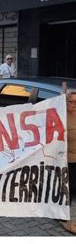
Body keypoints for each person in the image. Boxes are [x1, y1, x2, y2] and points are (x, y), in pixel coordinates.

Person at [61, 90, 76, 234]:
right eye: (71, 102)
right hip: (67, 162)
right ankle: (66, 220)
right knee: (69, 191)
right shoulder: (61, 117)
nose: (74, 105)